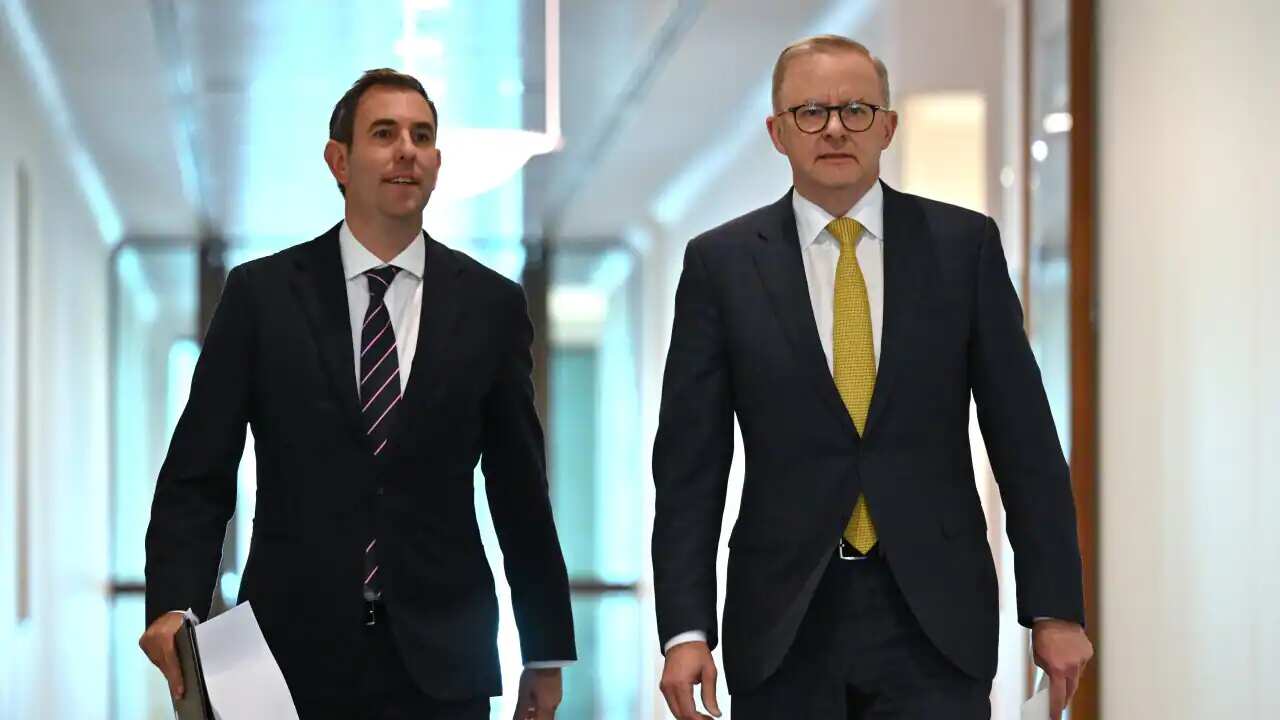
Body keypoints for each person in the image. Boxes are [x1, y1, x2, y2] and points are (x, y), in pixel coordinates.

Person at [652, 35, 1092, 719]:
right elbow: (689, 469)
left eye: (856, 110)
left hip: (934, 618)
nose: (834, 127)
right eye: (810, 112)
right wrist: (686, 630)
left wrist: (1056, 609)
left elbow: (1025, 441)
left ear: (888, 126)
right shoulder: (722, 266)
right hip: (783, 619)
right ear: (776, 131)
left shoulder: (962, 247)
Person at [139, 68, 575, 720]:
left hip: (444, 662)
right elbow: (199, 473)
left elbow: (519, 491)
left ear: (436, 161)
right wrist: (177, 603)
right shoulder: (261, 298)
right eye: (384, 133)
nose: (406, 149)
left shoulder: (491, 306)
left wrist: (544, 648)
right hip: (286, 660)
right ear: (338, 160)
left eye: (422, 136)